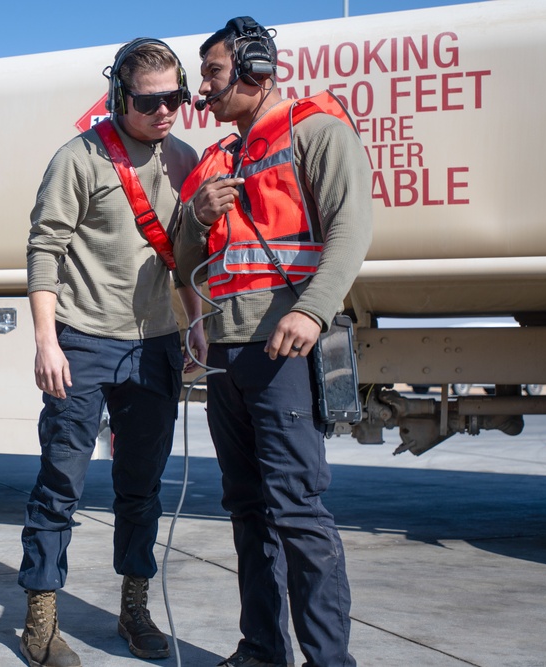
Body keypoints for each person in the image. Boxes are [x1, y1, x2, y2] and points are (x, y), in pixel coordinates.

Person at [173, 17, 372, 667]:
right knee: (248, 511)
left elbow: (351, 228)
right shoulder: (218, 161)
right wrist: (198, 219)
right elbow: (183, 260)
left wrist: (312, 313)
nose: (201, 90)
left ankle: (328, 660)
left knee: (296, 512)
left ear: (256, 67)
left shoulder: (317, 130)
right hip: (228, 355)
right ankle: (261, 650)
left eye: (213, 73)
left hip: (284, 346)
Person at [18, 38, 206, 667]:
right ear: (121, 96)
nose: (165, 111)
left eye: (175, 97)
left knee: (141, 489)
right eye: (150, 101)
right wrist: (46, 340)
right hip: (82, 341)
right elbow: (45, 248)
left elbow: (182, 256)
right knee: (61, 484)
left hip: (155, 347)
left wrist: (195, 320)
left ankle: (133, 608)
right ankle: (40, 619)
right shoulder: (80, 158)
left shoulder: (184, 159)